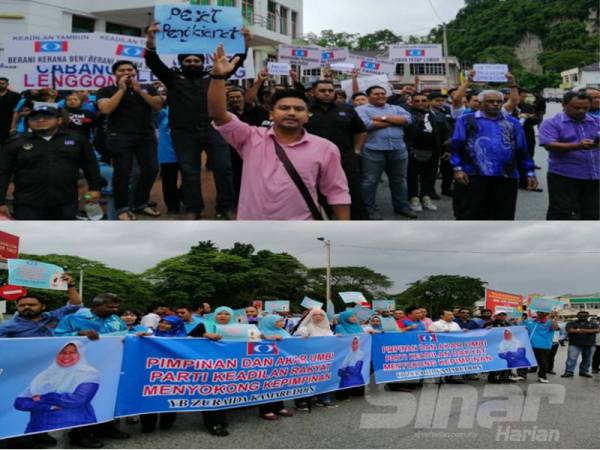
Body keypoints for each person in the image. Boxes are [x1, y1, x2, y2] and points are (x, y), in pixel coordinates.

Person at [208, 45, 351, 221]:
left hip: (303, 230)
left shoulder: (326, 148)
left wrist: (343, 228)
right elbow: (218, 115)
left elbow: (337, 192)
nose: (291, 112)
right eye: (284, 108)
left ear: (307, 116)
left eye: (298, 109)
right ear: (271, 114)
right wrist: (217, 77)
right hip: (250, 228)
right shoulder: (250, 137)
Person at [145, 24, 251, 220]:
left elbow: (236, 62)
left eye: (196, 60)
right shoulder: (172, 78)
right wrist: (151, 40)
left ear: (202, 63)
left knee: (223, 169)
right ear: (181, 62)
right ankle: (194, 209)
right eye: (188, 60)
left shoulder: (214, 76)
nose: (192, 63)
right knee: (189, 172)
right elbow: (152, 60)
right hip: (183, 133)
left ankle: (225, 207)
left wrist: (244, 43)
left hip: (215, 130)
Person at [52, 293, 129, 448]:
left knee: (110, 397)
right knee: (85, 400)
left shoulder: (116, 320)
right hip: (81, 368)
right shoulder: (73, 319)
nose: (114, 309)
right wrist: (78, 334)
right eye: (110, 306)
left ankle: (107, 427)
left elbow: (125, 337)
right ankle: (80, 435)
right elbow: (55, 337)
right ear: (95, 306)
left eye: (116, 307)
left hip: (110, 367)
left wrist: (135, 336)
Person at [0, 105, 102, 220]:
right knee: (30, 238)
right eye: (34, 118)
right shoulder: (15, 143)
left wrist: (95, 188)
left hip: (66, 202)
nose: (40, 120)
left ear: (59, 120)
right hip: (28, 204)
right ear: (28, 122)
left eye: (46, 116)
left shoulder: (77, 139)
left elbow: (91, 166)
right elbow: (3, 173)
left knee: (64, 237)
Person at [451, 90, 538, 220]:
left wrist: (530, 172)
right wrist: (457, 168)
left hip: (506, 177)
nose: (495, 104)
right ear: (480, 103)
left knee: (503, 216)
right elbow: (457, 145)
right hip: (473, 176)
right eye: (490, 101)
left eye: (499, 101)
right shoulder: (466, 120)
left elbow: (522, 149)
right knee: (470, 215)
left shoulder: (512, 122)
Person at [96, 60, 163, 221]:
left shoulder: (147, 88)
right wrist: (121, 90)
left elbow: (157, 106)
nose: (126, 72)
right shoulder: (106, 90)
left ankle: (140, 202)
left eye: (130, 70)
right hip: (119, 136)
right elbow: (106, 109)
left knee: (151, 169)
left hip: (146, 136)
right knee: (123, 173)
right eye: (122, 70)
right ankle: (122, 208)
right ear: (115, 74)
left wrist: (140, 91)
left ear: (135, 72)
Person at [305, 80, 369, 220]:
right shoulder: (304, 110)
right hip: (312, 162)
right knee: (315, 197)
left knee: (353, 197)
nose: (327, 93)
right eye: (322, 91)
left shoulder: (346, 109)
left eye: (330, 90)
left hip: (345, 161)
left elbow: (361, 131)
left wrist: (357, 150)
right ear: (313, 92)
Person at [356, 85, 415, 220]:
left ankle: (402, 206)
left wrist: (382, 118)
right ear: (368, 96)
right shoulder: (361, 109)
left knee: (399, 180)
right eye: (376, 94)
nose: (381, 96)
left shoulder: (397, 108)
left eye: (383, 93)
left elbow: (408, 120)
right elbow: (366, 125)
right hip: (372, 150)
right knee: (370, 181)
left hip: (398, 149)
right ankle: (369, 209)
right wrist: (394, 121)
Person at [539, 91, 600, 220]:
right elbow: (549, 144)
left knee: (592, 214)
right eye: (577, 107)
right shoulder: (551, 123)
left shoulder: (596, 122)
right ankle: (556, 239)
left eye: (585, 108)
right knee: (560, 212)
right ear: (564, 105)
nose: (582, 111)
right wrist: (578, 146)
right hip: (564, 176)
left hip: (594, 176)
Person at [14, 342, 100, 434]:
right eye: (63, 352)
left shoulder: (88, 373)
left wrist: (44, 398)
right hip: (39, 427)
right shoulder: (44, 375)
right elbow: (20, 402)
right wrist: (48, 406)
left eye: (73, 352)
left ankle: (82, 437)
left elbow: (77, 400)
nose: (66, 356)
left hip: (77, 424)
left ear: (81, 354)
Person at [188, 306, 235, 436]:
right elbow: (187, 339)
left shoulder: (237, 328)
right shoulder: (204, 325)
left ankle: (221, 420)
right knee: (210, 393)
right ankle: (213, 424)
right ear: (214, 315)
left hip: (228, 366)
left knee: (222, 392)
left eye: (227, 314)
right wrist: (204, 335)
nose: (223, 316)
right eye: (220, 313)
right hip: (207, 365)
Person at [138, 316, 185, 434]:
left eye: (168, 324)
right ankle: (148, 425)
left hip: (172, 374)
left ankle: (167, 422)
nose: (163, 325)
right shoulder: (151, 336)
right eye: (162, 322)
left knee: (169, 396)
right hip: (151, 373)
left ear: (176, 326)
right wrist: (139, 337)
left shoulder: (185, 339)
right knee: (149, 396)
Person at [406, 93, 450, 213]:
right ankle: (413, 198)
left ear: (428, 102)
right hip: (412, 151)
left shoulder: (439, 115)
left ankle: (426, 197)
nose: (420, 103)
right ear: (412, 102)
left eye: (423, 100)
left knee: (429, 177)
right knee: (412, 177)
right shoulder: (406, 114)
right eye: (417, 101)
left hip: (433, 151)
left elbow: (446, 133)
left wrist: (447, 150)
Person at [0, 274, 81, 337]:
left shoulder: (52, 317)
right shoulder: (7, 326)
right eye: (22, 305)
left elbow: (75, 305)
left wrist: (71, 286)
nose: (26, 307)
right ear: (17, 307)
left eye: (32, 305)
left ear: (43, 306)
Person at [293, 309, 338, 409]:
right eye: (315, 315)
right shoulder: (306, 327)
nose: (318, 317)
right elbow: (295, 339)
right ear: (310, 316)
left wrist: (336, 338)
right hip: (308, 359)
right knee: (305, 380)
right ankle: (301, 401)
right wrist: (302, 334)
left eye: (321, 315)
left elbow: (329, 341)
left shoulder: (327, 328)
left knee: (324, 378)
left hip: (324, 359)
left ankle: (323, 399)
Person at [256, 314, 294, 420]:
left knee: (279, 385)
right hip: (267, 364)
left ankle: (279, 407)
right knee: (267, 386)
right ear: (270, 322)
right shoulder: (261, 332)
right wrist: (268, 338)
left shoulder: (284, 332)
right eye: (278, 321)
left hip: (281, 363)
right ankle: (266, 410)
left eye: (282, 321)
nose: (281, 323)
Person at [562, 311, 600, 378]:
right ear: (577, 316)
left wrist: (579, 330)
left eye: (585, 315)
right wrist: (588, 331)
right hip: (574, 343)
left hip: (589, 344)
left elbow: (597, 330)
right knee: (571, 358)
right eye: (580, 315)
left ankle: (583, 372)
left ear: (588, 316)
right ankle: (569, 372)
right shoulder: (571, 323)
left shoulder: (593, 323)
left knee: (587, 359)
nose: (582, 316)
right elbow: (570, 330)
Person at [524, 311, 559, 383]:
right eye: (539, 312)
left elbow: (555, 328)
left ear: (546, 313)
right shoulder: (530, 321)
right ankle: (522, 375)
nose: (540, 314)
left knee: (543, 362)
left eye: (542, 312)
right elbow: (521, 328)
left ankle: (542, 376)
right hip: (529, 345)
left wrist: (554, 318)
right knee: (524, 360)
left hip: (543, 346)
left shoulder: (550, 322)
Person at [0, 77, 22, 144]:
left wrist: (14, 126)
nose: (0, 85)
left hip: (8, 123)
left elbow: (18, 111)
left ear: (7, 84)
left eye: (2, 83)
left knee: (6, 143)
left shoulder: (16, 96)